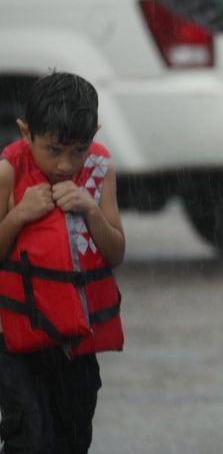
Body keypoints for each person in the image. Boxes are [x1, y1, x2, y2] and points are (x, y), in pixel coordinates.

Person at [0, 71, 126, 453]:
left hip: (75, 343)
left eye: (78, 150)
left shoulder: (100, 171)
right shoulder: (9, 171)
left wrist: (90, 209)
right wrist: (19, 215)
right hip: (17, 342)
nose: (66, 165)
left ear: (94, 136)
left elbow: (115, 253)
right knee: (30, 437)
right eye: (53, 149)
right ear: (26, 133)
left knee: (72, 438)